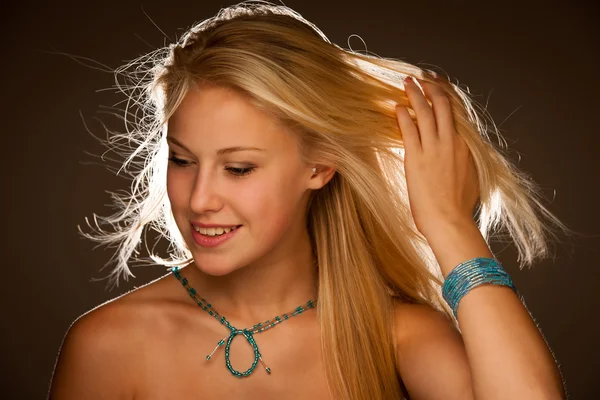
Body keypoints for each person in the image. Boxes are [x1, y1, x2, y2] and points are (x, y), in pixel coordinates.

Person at [48, 1, 568, 399]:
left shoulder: (398, 339)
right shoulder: (107, 345)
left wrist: (449, 224)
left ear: (319, 166)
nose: (200, 199)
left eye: (238, 168)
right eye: (183, 160)